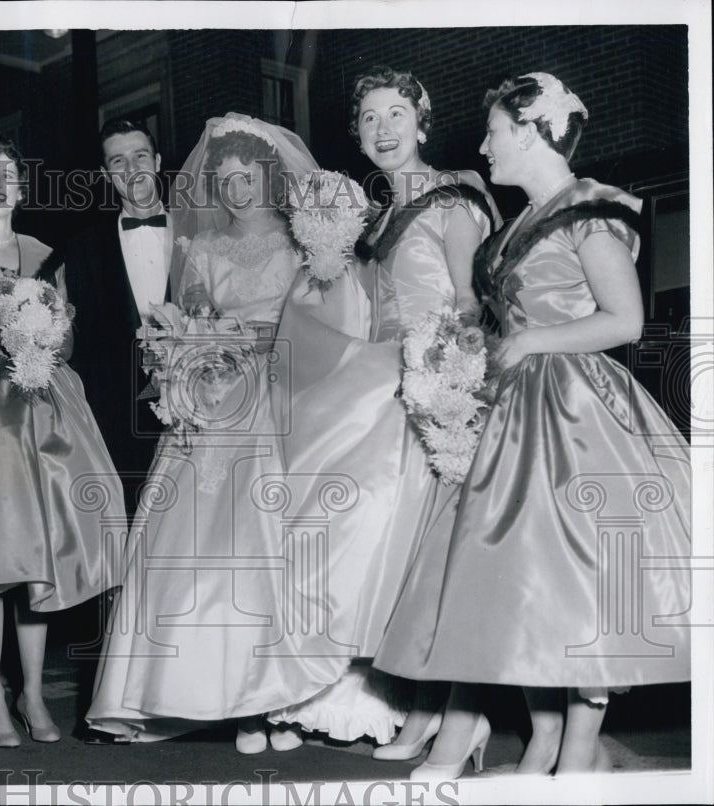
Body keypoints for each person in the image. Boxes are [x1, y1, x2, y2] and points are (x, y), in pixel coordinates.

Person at [373, 72, 691, 778]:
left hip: (576, 406)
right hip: (512, 403)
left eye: (492, 132)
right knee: (512, 572)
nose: (483, 147)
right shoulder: (517, 221)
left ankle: (578, 747)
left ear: (528, 131)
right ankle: (542, 736)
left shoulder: (589, 210)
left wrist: (530, 344)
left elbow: (625, 320)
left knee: (577, 564)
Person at [266, 66, 500, 750]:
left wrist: (445, 375)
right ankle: (392, 695)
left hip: (439, 380)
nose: (383, 128)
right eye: (368, 118)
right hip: (386, 377)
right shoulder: (381, 216)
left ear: (422, 120)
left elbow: (472, 301)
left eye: (396, 113)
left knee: (414, 544)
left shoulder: (455, 198)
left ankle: (446, 709)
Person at [86, 114, 328, 753]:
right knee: (212, 544)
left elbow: (322, 322)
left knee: (281, 546)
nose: (239, 191)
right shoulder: (203, 249)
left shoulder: (303, 243)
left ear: (267, 175)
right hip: (216, 396)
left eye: (248, 178)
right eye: (227, 181)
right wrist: (198, 354)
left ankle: (285, 700)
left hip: (284, 395)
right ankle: (238, 703)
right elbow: (190, 318)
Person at [0, 137, 125, 747]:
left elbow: (67, 344)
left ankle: (32, 691)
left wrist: (41, 336)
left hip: (45, 401)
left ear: (21, 184)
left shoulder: (46, 256)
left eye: (8, 174)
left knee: (41, 551)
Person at [62, 120, 172, 521]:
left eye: (140, 156)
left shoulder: (198, 234)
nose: (131, 169)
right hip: (117, 421)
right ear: (107, 173)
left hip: (197, 407)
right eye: (118, 161)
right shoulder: (81, 249)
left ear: (157, 161)